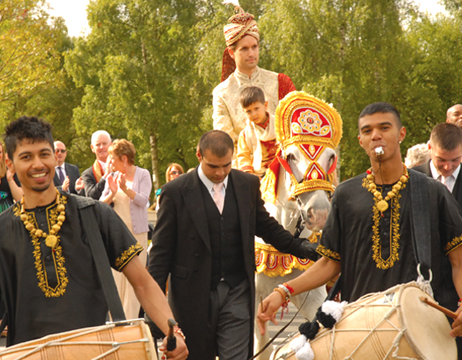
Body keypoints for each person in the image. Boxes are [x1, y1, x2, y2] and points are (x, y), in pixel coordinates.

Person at [0, 116, 188, 360]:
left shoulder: (94, 214)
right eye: (26, 157)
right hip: (29, 353)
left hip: (97, 351)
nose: (38, 164)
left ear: (55, 157)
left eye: (44, 154)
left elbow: (142, 282)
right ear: (10, 164)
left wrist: (172, 330)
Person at [257, 103, 462, 359]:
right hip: (358, 328)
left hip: (417, 327)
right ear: (360, 140)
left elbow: (461, 261)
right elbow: (330, 263)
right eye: (368, 130)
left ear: (401, 134)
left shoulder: (432, 192)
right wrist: (282, 292)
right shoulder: (345, 195)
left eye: (385, 127)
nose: (376, 134)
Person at [147, 130, 319, 360]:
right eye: (212, 166)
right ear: (199, 155)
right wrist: (153, 317)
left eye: (225, 165)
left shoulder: (246, 184)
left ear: (233, 157)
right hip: (192, 297)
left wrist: (304, 248)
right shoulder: (174, 192)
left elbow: (266, 227)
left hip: (237, 291)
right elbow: (160, 256)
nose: (220, 173)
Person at [412, 122, 462, 359]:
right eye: (442, 159)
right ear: (429, 148)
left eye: (455, 160)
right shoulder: (411, 180)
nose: (448, 166)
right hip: (418, 283)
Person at [212, 5, 296, 165]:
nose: (251, 53)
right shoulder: (221, 93)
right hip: (243, 175)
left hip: (286, 169)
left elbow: (297, 128)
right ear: (231, 53)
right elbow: (225, 143)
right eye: (244, 49)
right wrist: (246, 174)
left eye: (254, 47)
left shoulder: (281, 82)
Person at [99, 139, 152, 319]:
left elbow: (144, 200)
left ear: (123, 158)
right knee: (116, 279)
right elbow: (100, 204)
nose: (110, 163)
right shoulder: (111, 177)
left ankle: (130, 322)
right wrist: (113, 193)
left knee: (135, 280)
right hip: (116, 236)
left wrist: (125, 189)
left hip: (137, 235)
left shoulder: (143, 174)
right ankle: (118, 322)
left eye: (112, 158)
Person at [236, 86, 277, 177]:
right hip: (261, 174)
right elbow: (243, 157)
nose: (253, 114)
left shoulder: (280, 125)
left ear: (265, 105)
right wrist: (250, 176)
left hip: (283, 168)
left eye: (256, 108)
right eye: (248, 111)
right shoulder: (245, 134)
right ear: (244, 112)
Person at [82, 130, 112, 199]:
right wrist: (105, 176)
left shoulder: (121, 167)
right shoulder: (88, 174)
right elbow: (90, 196)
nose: (102, 147)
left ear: (111, 145)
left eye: (104, 143)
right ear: (92, 148)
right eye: (98, 144)